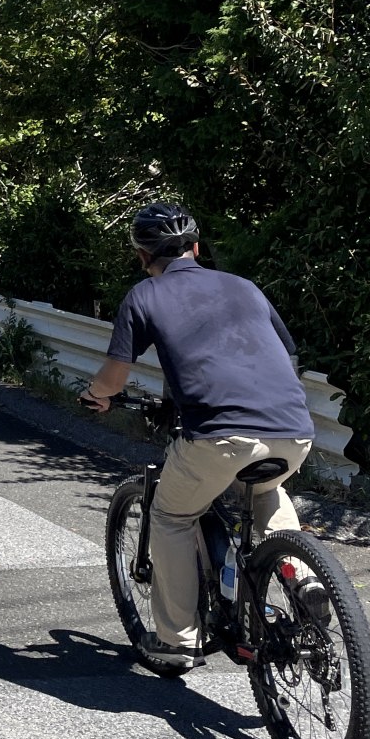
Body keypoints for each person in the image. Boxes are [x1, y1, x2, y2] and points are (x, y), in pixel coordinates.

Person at [81, 202, 314, 671]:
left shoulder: (145, 295)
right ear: (196, 248)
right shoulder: (244, 287)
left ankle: (177, 640)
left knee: (170, 514)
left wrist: (96, 396)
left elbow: (114, 376)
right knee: (265, 490)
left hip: (218, 437)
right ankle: (304, 578)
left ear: (142, 255)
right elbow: (288, 357)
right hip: (293, 430)